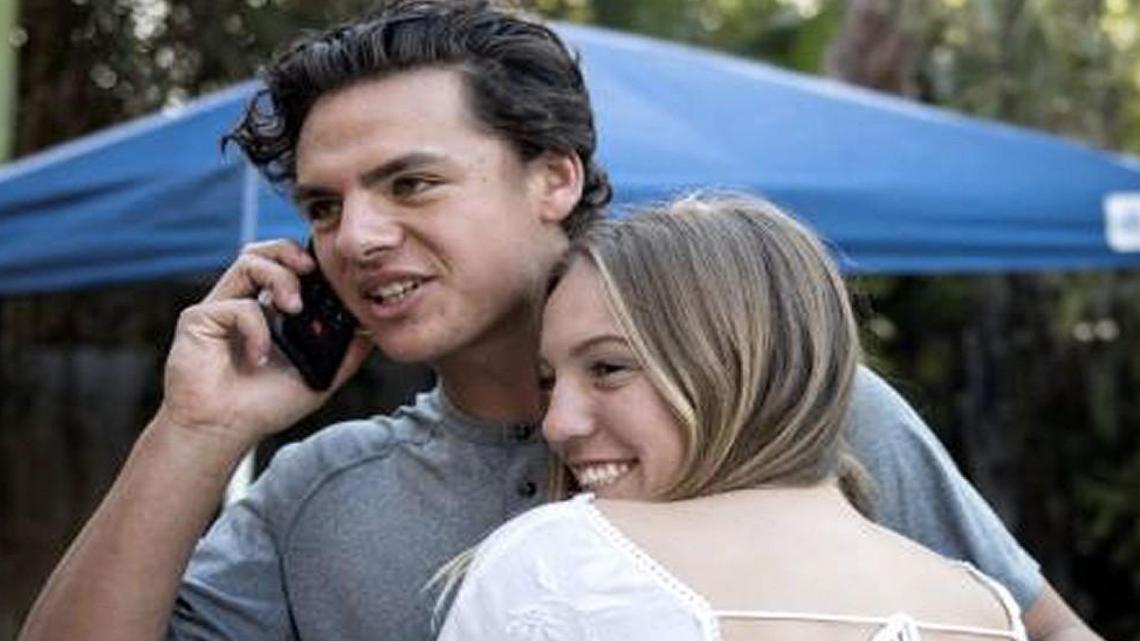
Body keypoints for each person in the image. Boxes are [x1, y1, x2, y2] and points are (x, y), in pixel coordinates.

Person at [17, 2, 1099, 640]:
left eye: (410, 182)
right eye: (323, 205)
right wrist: (196, 429)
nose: (357, 237)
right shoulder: (320, 490)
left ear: (553, 176)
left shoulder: (788, 414)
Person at [438, 194, 1026, 640]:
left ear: (738, 363)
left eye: (609, 368)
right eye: (548, 381)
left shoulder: (560, 562)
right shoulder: (986, 608)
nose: (557, 424)